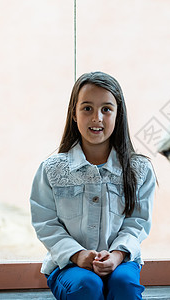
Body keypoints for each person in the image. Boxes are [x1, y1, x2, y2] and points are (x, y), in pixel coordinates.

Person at [30, 71, 156, 300]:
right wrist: (77, 255)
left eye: (106, 109)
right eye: (87, 108)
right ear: (74, 114)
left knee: (124, 284)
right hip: (68, 265)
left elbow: (137, 222)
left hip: (122, 262)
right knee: (87, 285)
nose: (97, 117)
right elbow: (45, 223)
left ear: (118, 115)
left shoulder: (140, 170)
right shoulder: (51, 169)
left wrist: (117, 256)